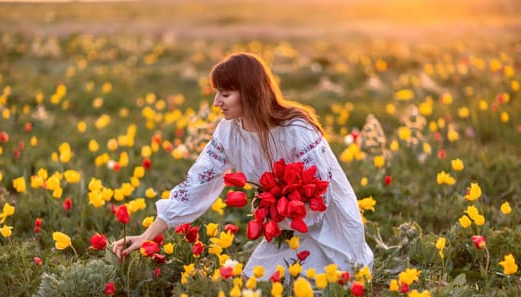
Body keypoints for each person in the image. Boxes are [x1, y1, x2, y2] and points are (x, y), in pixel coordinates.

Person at [112, 52, 374, 280]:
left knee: (330, 283)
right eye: (217, 93)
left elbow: (321, 194)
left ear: (250, 93)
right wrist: (146, 236)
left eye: (225, 94)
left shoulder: (297, 130)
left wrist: (280, 212)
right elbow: (196, 183)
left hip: (326, 223)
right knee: (256, 282)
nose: (217, 102)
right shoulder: (228, 132)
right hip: (283, 225)